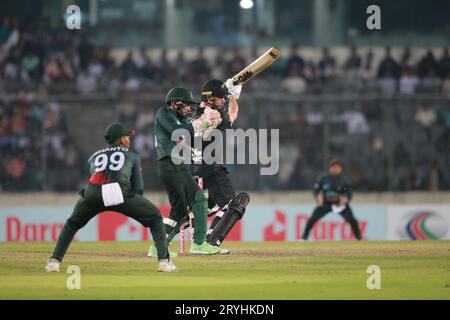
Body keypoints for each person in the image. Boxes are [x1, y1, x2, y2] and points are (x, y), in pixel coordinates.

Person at [45, 123, 178, 273]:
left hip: (92, 192)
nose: (129, 140)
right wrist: (136, 204)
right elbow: (138, 188)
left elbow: (95, 174)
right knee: (155, 217)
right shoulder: (132, 156)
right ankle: (164, 262)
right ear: (121, 140)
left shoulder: (93, 157)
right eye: (127, 137)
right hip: (119, 193)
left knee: (72, 224)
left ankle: (54, 262)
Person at [148, 87, 222, 256]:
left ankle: (158, 247)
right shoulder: (164, 113)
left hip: (172, 165)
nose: (189, 109)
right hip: (171, 164)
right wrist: (202, 122)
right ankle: (199, 244)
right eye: (187, 105)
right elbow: (180, 131)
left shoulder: (178, 119)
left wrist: (209, 123)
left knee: (179, 211)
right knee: (199, 198)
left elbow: (188, 137)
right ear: (175, 103)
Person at [190, 79, 250, 249]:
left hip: (191, 168)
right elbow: (232, 113)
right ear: (208, 98)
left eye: (223, 98)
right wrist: (231, 96)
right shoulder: (214, 115)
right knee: (234, 204)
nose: (221, 101)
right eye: (219, 98)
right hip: (210, 167)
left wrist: (228, 95)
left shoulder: (191, 111)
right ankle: (211, 241)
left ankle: (185, 225)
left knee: (211, 206)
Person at [302, 159, 362, 241]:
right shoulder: (324, 178)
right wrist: (318, 197)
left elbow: (348, 192)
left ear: (341, 169)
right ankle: (303, 238)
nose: (335, 169)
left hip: (339, 204)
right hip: (326, 203)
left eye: (338, 167)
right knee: (312, 219)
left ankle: (358, 238)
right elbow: (316, 189)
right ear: (330, 168)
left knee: (352, 220)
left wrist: (345, 199)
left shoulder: (344, 180)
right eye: (333, 167)